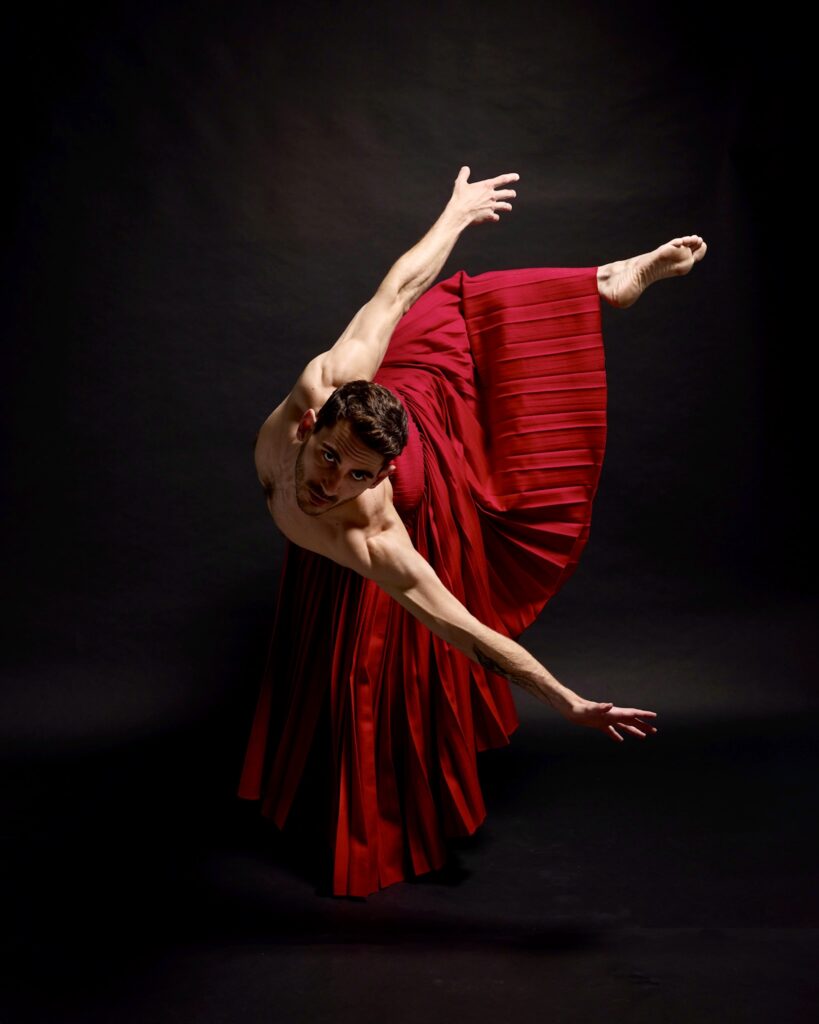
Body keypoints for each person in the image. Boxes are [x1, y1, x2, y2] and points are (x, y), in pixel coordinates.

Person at [238, 166, 707, 898]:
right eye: (327, 460)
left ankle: (604, 282)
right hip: (391, 399)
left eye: (354, 477)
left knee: (473, 335)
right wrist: (453, 215)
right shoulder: (325, 383)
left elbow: (468, 633)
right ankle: (589, 285)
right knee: (430, 314)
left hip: (420, 454)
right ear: (311, 422)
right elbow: (394, 289)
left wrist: (565, 700)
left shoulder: (370, 534)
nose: (329, 485)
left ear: (375, 481)